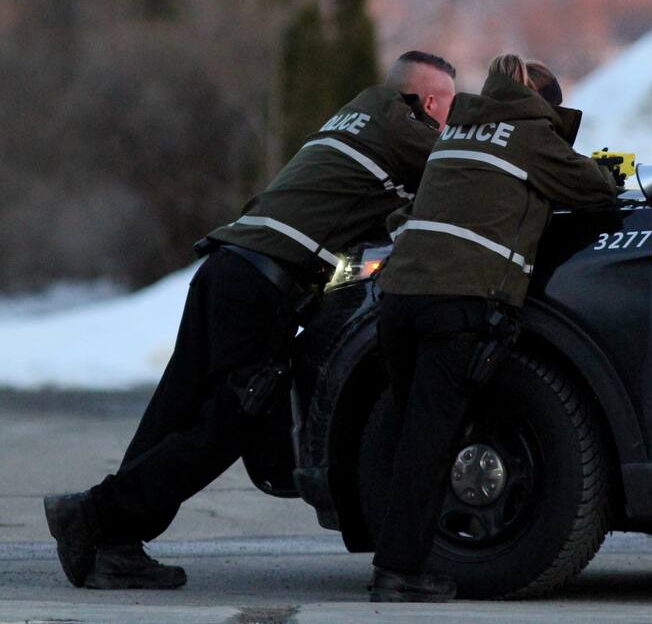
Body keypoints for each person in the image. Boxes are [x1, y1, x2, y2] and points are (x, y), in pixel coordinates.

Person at [43, 50, 457, 590]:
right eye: (451, 104)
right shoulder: (405, 127)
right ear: (428, 102)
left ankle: (113, 546)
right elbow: (463, 168)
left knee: (176, 410)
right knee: (230, 421)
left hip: (228, 266)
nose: (452, 117)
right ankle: (93, 516)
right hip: (259, 284)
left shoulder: (361, 115)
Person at [366, 53, 622, 603]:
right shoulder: (533, 136)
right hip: (455, 305)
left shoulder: (459, 131)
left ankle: (399, 559)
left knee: (413, 438)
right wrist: (609, 169)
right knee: (432, 444)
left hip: (397, 302)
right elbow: (595, 189)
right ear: (544, 106)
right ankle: (397, 573)